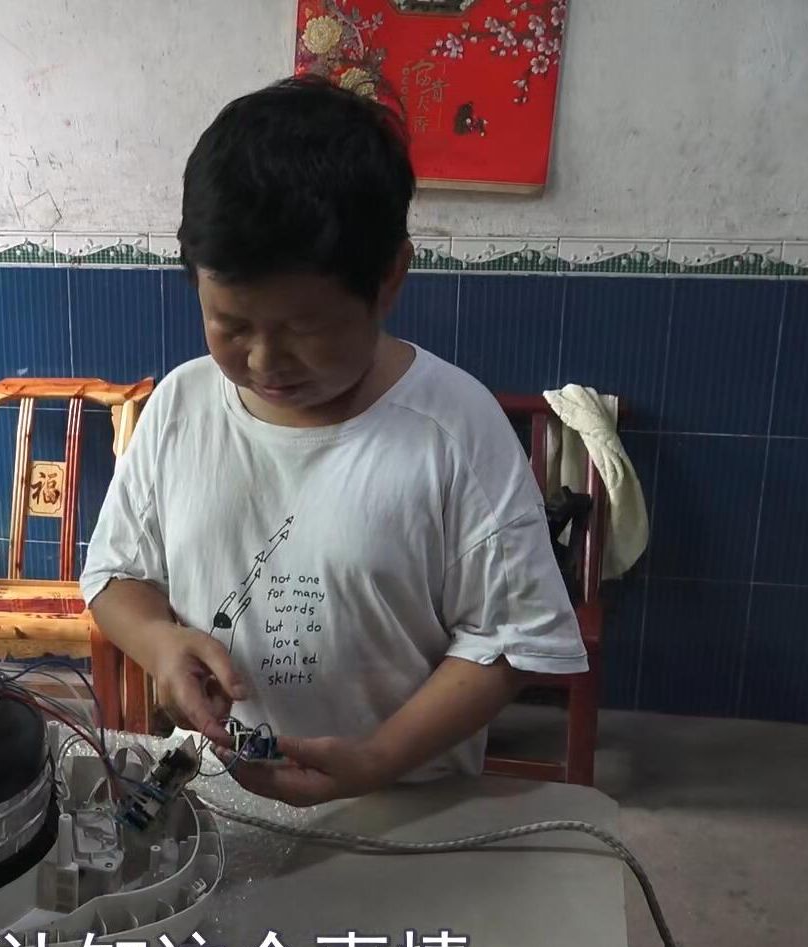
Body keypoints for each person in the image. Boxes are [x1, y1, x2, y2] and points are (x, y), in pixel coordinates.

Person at [80, 76, 588, 807]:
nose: (262, 362)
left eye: (303, 330)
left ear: (390, 280)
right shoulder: (182, 407)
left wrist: (381, 757)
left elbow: (510, 640)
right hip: (215, 800)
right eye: (231, 325)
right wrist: (160, 644)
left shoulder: (453, 430)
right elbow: (117, 574)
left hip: (405, 807)